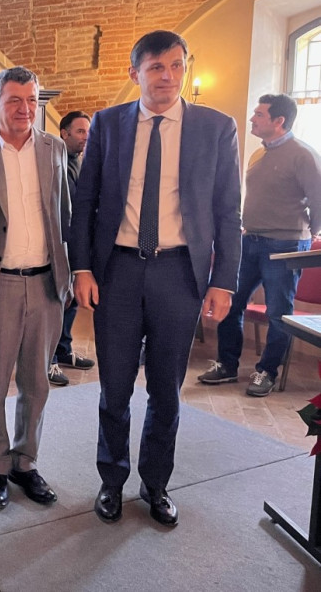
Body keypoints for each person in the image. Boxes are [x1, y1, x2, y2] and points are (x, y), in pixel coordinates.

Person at [70, 30, 241, 527]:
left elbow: (228, 210)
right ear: (135, 74)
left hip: (179, 273)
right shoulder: (108, 124)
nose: (168, 76)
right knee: (115, 386)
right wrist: (83, 267)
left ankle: (156, 483)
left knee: (166, 389)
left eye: (176, 65)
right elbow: (86, 201)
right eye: (156, 67)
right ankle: (111, 480)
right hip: (119, 270)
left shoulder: (216, 127)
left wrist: (223, 280)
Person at [0, 66, 71, 512]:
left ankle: (26, 462)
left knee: (36, 382)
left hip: (46, 283)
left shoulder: (54, 147)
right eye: (14, 101)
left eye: (32, 100)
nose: (26, 109)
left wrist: (70, 275)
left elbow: (64, 214)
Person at [200, 94, 321, 396]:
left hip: (285, 244)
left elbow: (319, 199)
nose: (252, 119)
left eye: (259, 114)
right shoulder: (259, 153)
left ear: (279, 121)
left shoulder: (303, 154)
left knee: (278, 312)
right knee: (231, 300)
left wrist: (308, 234)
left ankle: (266, 371)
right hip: (250, 240)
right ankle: (227, 365)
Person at [48, 110, 95, 387]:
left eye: (88, 131)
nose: (85, 136)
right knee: (56, 302)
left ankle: (64, 350)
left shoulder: (80, 162)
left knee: (72, 300)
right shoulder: (53, 163)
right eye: (80, 131)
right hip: (59, 243)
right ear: (64, 133)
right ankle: (49, 360)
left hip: (78, 244)